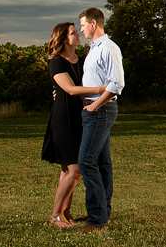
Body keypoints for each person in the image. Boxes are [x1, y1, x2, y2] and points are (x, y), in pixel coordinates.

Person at [40, 22, 107, 228]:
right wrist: (104, 88)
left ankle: (65, 213)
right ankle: (55, 215)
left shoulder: (84, 61)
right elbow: (70, 89)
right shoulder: (56, 62)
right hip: (64, 119)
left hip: (81, 118)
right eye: (73, 32)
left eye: (77, 31)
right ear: (62, 39)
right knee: (76, 170)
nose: (78, 34)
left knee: (67, 170)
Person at [73, 7, 125, 234]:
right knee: (102, 164)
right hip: (94, 109)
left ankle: (95, 220)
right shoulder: (94, 49)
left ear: (94, 23)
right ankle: (103, 214)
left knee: (86, 161)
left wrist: (95, 104)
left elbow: (116, 84)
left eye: (83, 25)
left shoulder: (109, 48)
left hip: (100, 110)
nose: (81, 29)